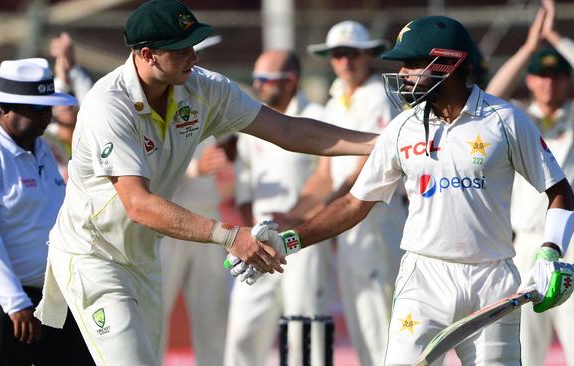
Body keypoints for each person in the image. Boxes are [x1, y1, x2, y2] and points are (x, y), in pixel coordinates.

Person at [33, 1, 378, 365]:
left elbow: (287, 129)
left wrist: (378, 144)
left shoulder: (205, 89)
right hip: (94, 255)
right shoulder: (109, 104)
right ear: (148, 55)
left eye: (194, 46)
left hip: (143, 258)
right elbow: (138, 204)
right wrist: (231, 236)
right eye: (182, 50)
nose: (193, 57)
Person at [243, 15, 574, 365]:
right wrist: (287, 241)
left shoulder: (505, 120)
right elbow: (352, 204)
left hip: (492, 281)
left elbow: (559, 191)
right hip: (424, 280)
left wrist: (550, 253)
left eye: (413, 64)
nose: (403, 74)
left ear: (449, 64)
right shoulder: (402, 128)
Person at [486, 1, 574, 364]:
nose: (548, 82)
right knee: (526, 348)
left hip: (572, 242)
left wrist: (556, 35)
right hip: (525, 245)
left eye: (556, 76)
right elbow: (493, 91)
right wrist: (528, 47)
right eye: (541, 75)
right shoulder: (520, 119)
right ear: (530, 79)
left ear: (567, 81)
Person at [290, 20, 408, 366]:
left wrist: (325, 212)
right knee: (361, 321)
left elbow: (368, 167)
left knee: (382, 321)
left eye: (352, 54)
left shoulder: (379, 96)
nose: (345, 62)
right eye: (338, 55)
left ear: (368, 55)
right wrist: (291, 216)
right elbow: (324, 173)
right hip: (348, 226)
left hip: (377, 225)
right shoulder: (333, 100)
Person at [0, 58, 93, 366]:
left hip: (50, 295)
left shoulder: (40, 147)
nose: (45, 116)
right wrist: (14, 302)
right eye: (34, 108)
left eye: (47, 108)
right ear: (2, 108)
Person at [224, 50, 331, 366]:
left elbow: (328, 182)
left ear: (291, 81)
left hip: (304, 241)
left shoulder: (318, 116)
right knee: (243, 330)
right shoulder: (250, 122)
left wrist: (295, 219)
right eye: (255, 78)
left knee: (304, 329)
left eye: (265, 80)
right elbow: (244, 195)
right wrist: (251, 238)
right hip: (258, 243)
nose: (257, 86)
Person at [157, 34, 231, 366]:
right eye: (189, 54)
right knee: (156, 311)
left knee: (212, 315)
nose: (196, 63)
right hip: (169, 221)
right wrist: (192, 170)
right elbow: (149, 164)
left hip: (209, 222)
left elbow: (232, 148)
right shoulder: (156, 98)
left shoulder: (211, 96)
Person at [43, 32, 94, 181]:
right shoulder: (46, 137)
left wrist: (73, 66)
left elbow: (92, 104)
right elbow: (51, 100)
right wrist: (63, 72)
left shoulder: (88, 133)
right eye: (63, 105)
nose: (67, 107)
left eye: (71, 104)